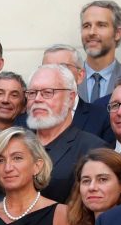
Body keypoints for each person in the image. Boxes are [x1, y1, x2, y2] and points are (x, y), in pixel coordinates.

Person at [25, 65, 108, 203]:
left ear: (70, 98)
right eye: (32, 93)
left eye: (47, 92)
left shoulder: (93, 148)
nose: (37, 99)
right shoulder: (18, 143)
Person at [80, 0, 121, 101]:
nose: (91, 32)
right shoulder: (67, 78)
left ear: (117, 33)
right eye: (87, 26)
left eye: (101, 25)